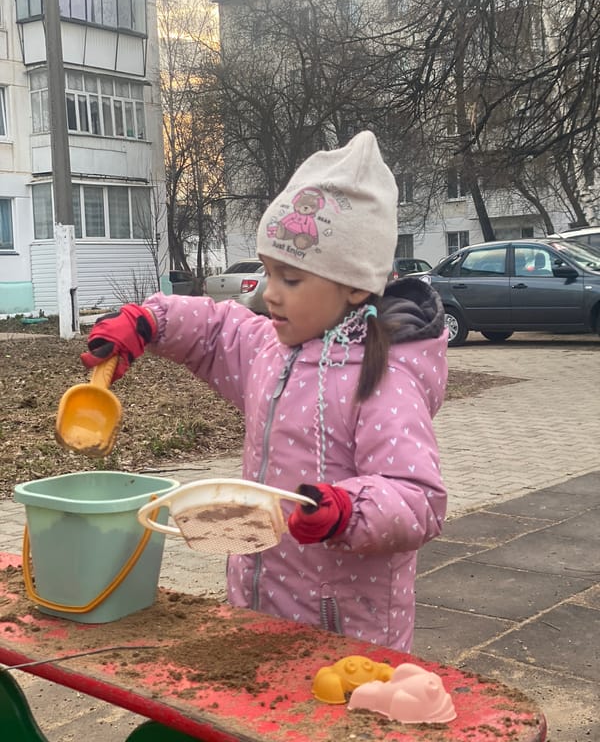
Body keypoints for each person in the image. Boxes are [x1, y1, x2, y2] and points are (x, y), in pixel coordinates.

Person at [80, 131, 448, 652]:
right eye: (267, 271)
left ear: (355, 286)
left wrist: (349, 510)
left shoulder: (382, 380)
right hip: (257, 602)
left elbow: (420, 499)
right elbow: (213, 331)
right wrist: (148, 323)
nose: (268, 293)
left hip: (345, 631)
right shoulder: (273, 348)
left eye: (290, 279)